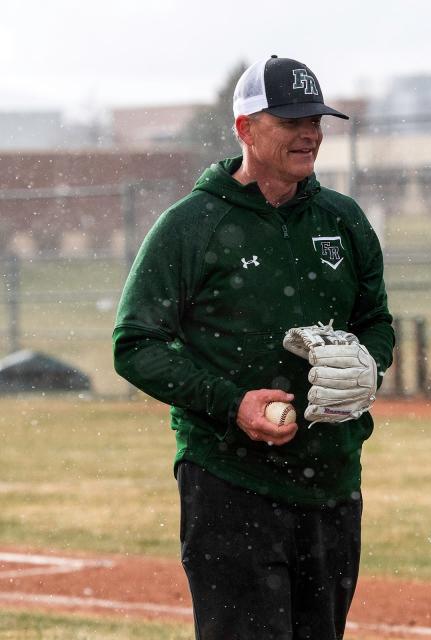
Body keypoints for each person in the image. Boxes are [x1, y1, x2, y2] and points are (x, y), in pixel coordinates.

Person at [113, 55, 394, 639]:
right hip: (229, 484)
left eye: (315, 118)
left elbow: (376, 323)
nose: (310, 132)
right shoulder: (191, 225)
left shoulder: (343, 221)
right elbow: (135, 343)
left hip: (333, 483)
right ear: (244, 128)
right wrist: (229, 402)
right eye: (291, 120)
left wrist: (369, 365)